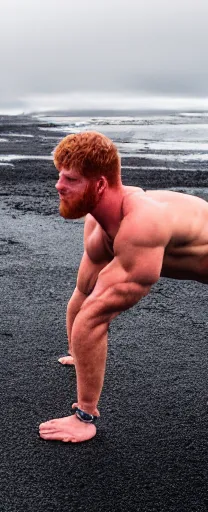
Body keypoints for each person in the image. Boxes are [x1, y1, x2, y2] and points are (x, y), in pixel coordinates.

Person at [39, 130, 208, 443]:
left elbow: (93, 318)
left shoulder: (141, 224)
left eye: (71, 179)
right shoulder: (98, 222)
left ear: (100, 184)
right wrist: (78, 354)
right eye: (60, 176)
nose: (58, 186)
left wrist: (83, 415)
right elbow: (84, 291)